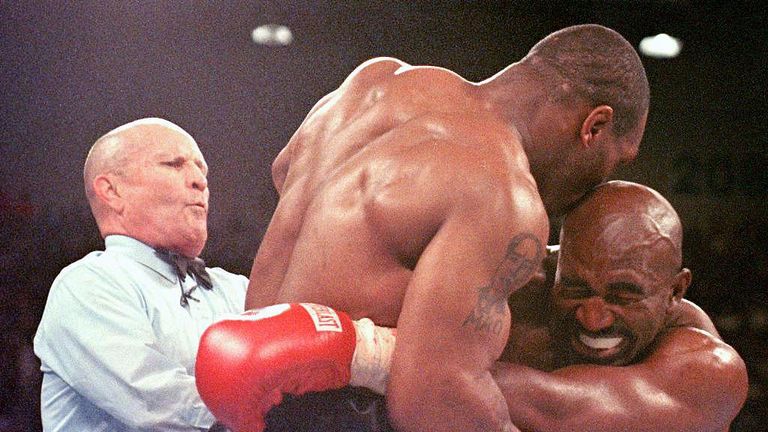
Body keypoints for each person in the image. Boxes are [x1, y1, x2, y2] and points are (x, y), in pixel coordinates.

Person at [197, 24, 649, 432]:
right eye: (613, 162)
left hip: (244, 403)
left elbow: (284, 169)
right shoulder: (505, 194)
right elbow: (433, 402)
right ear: (595, 126)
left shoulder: (374, 81)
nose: (600, 182)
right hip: (344, 416)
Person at [34, 118, 248, 431]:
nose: (200, 181)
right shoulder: (87, 285)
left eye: (202, 170)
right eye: (174, 164)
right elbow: (160, 405)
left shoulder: (235, 288)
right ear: (112, 191)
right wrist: (268, 415)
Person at [490, 180, 748, 431]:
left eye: (623, 298)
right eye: (576, 290)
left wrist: (457, 367)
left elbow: (563, 413)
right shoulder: (516, 283)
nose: (592, 319)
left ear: (675, 291)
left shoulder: (709, 371)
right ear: (558, 265)